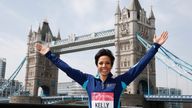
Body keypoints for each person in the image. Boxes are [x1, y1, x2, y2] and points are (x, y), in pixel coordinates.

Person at [35, 31, 168, 108]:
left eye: (107, 63)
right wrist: (49, 55)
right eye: (101, 63)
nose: (104, 66)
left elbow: (139, 66)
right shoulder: (87, 81)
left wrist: (155, 46)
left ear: (111, 65)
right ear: (97, 65)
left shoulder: (119, 82)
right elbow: (67, 69)